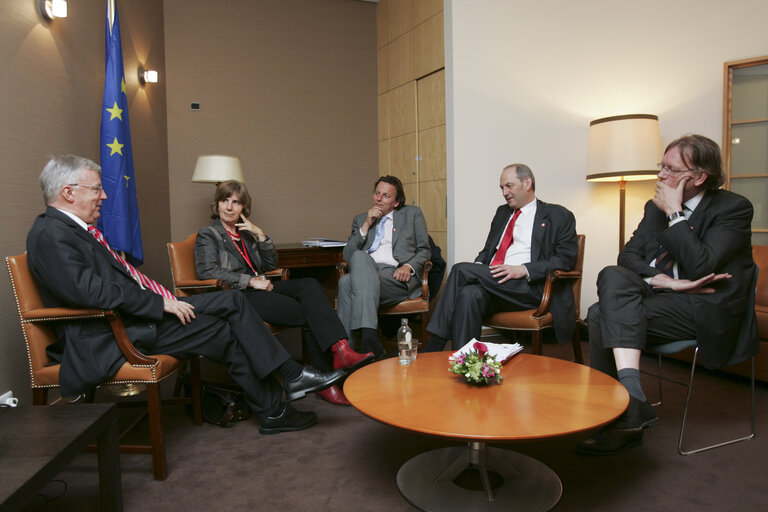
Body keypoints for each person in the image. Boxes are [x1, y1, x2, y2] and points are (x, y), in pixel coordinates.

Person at [27, 155, 347, 435]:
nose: (104, 195)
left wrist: (160, 299)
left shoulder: (75, 231)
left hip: (132, 316)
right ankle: (284, 393)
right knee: (227, 322)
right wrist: (159, 302)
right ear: (68, 192)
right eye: (97, 188)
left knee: (232, 307)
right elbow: (89, 291)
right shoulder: (51, 234)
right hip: (110, 332)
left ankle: (281, 399)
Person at [577, 134, 758, 455]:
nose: (660, 175)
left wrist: (676, 214)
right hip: (666, 297)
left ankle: (621, 413)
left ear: (700, 177)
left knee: (599, 314)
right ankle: (631, 403)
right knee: (612, 274)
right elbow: (628, 258)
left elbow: (702, 265)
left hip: (703, 306)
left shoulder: (734, 209)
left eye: (671, 170)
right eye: (662, 166)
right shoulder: (653, 207)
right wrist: (667, 281)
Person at [194, 180, 374, 406]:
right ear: (217, 204)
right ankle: (329, 380)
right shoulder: (208, 234)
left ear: (243, 207)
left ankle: (340, 349)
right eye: (224, 201)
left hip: (263, 286)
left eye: (236, 202)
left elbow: (271, 262)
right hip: (239, 296)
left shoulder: (246, 234)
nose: (229, 208)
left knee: (309, 284)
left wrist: (260, 235)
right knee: (311, 312)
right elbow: (207, 271)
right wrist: (250, 282)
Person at [424, 164, 578, 351]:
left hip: (530, 287)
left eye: (509, 186)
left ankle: (434, 345)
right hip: (497, 284)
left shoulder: (558, 215)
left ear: (527, 183)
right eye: (502, 188)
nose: (504, 192)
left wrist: (524, 269)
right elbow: (488, 250)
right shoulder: (502, 212)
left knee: (459, 269)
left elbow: (565, 260)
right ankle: (466, 361)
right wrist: (477, 270)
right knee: (468, 294)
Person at [337, 175, 431, 357]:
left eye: (386, 196)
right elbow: (347, 256)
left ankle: (346, 352)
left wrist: (409, 267)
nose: (379, 199)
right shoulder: (360, 219)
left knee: (346, 283)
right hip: (366, 273)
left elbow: (425, 251)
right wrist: (365, 226)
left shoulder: (412, 214)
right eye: (376, 193)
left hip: (394, 277)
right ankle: (368, 339)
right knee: (357, 258)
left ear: (396, 202)